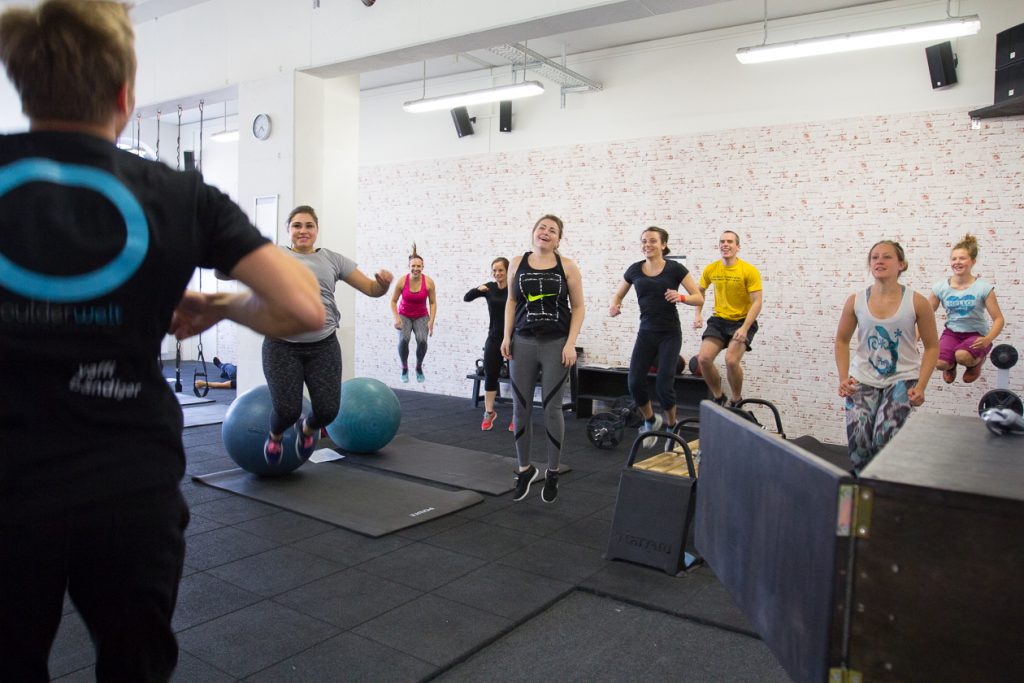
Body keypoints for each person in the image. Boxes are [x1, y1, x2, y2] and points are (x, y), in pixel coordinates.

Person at [0, 3, 325, 681]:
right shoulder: (181, 195)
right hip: (127, 487)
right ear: (124, 95)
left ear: (23, 89)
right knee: (135, 666)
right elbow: (301, 306)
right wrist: (224, 303)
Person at [262, 205, 393, 464]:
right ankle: (275, 436)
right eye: (297, 225)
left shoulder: (333, 259)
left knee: (327, 410)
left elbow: (371, 288)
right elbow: (230, 270)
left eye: (309, 225)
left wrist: (383, 284)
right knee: (287, 410)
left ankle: (307, 429)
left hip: (323, 345)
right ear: (287, 230)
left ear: (316, 230)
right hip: (281, 345)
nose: (303, 231)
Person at [835, 240, 938, 473]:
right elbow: (841, 340)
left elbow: (932, 346)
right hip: (862, 377)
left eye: (887, 257)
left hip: (902, 378)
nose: (879, 261)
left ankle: (884, 492)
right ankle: (864, 491)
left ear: (901, 264)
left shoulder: (918, 302)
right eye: (874, 257)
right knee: (859, 444)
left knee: (884, 438)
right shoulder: (856, 300)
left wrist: (921, 386)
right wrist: (843, 377)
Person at [502, 215, 585, 504]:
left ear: (558, 239)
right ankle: (524, 470)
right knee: (520, 408)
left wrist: (571, 344)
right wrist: (505, 337)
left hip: (556, 344)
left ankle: (552, 471)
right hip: (522, 342)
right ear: (533, 233)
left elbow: (578, 307)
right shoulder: (517, 262)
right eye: (541, 228)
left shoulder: (568, 266)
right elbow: (512, 302)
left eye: (552, 230)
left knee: (552, 409)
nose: (545, 233)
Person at [609, 227, 703, 445]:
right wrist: (615, 305)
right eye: (644, 241)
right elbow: (618, 294)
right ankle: (650, 421)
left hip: (669, 333)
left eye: (652, 241)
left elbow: (698, 298)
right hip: (646, 333)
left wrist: (681, 297)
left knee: (663, 385)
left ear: (663, 245)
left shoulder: (675, 269)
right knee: (634, 382)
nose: (647, 245)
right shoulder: (635, 269)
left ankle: (672, 427)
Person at [693, 230, 763, 406]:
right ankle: (718, 396)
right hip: (719, 320)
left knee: (731, 361)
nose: (725, 244)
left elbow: (757, 302)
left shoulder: (748, 271)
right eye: (722, 241)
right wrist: (698, 314)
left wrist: (745, 328)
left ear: (737, 247)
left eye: (730, 242)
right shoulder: (711, 268)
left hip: (742, 321)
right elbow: (699, 291)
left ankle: (736, 399)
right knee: (703, 359)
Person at [927, 233, 1005, 384]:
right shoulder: (940, 287)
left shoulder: (983, 288)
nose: (957, 262)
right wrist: (915, 337)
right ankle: (950, 366)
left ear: (973, 261)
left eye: (962, 258)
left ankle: (975, 363)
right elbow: (925, 315)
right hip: (952, 333)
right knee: (938, 363)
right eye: (954, 258)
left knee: (962, 356)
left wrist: (988, 338)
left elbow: (999, 319)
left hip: (976, 333)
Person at [464, 257, 511, 431]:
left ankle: (517, 415)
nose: (497, 273)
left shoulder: (514, 289)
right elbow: (467, 298)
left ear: (508, 271)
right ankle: (489, 412)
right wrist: (478, 289)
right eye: (495, 270)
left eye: (501, 270)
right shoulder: (489, 287)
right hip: (494, 337)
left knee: (517, 378)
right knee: (491, 374)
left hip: (513, 338)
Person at [390, 243, 436, 383]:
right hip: (404, 314)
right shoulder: (402, 281)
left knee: (422, 341)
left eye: (418, 266)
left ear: (423, 267)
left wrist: (431, 322)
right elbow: (393, 301)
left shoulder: (428, 282)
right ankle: (404, 367)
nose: (416, 269)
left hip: (421, 315)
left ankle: (418, 366)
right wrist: (397, 318)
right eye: (413, 266)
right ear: (409, 266)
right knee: (404, 340)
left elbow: (433, 303)